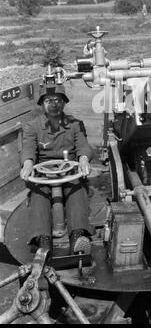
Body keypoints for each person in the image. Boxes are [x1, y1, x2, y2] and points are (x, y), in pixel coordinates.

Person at [20, 83, 93, 254]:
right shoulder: (32, 126)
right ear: (42, 104)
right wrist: (28, 163)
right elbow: (28, 148)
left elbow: (83, 146)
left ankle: (77, 235)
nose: (54, 105)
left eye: (58, 100)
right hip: (44, 173)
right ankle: (43, 241)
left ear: (64, 103)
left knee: (76, 190)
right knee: (39, 194)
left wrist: (83, 160)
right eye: (49, 101)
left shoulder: (75, 125)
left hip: (69, 169)